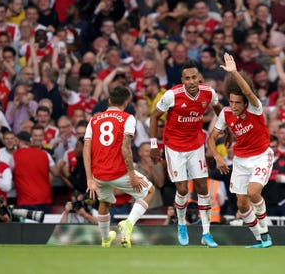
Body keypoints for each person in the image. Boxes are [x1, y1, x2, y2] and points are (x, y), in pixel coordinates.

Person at [149, 60, 223, 248]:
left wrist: (226, 126)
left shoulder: (208, 93)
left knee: (202, 187)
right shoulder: (172, 95)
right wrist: (153, 145)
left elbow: (218, 108)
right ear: (182, 80)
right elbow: (154, 116)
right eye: (187, 78)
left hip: (196, 144)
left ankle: (206, 233)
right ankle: (181, 224)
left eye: (194, 78)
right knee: (182, 190)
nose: (191, 81)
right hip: (174, 146)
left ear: (199, 78)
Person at [207, 52, 273, 248]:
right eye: (231, 102)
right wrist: (218, 156)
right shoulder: (226, 114)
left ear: (245, 102)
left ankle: (266, 232)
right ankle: (261, 239)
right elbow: (211, 138)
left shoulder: (255, 108)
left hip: (261, 156)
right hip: (241, 160)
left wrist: (234, 73)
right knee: (242, 206)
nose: (233, 106)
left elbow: (250, 93)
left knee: (254, 192)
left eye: (237, 102)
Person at [84, 86, 155, 248]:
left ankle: (105, 239)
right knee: (149, 191)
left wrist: (90, 179)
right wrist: (131, 174)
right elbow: (125, 148)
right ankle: (128, 224)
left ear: (109, 101)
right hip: (119, 172)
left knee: (104, 202)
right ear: (126, 102)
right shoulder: (128, 118)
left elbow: (86, 148)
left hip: (99, 174)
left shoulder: (94, 119)